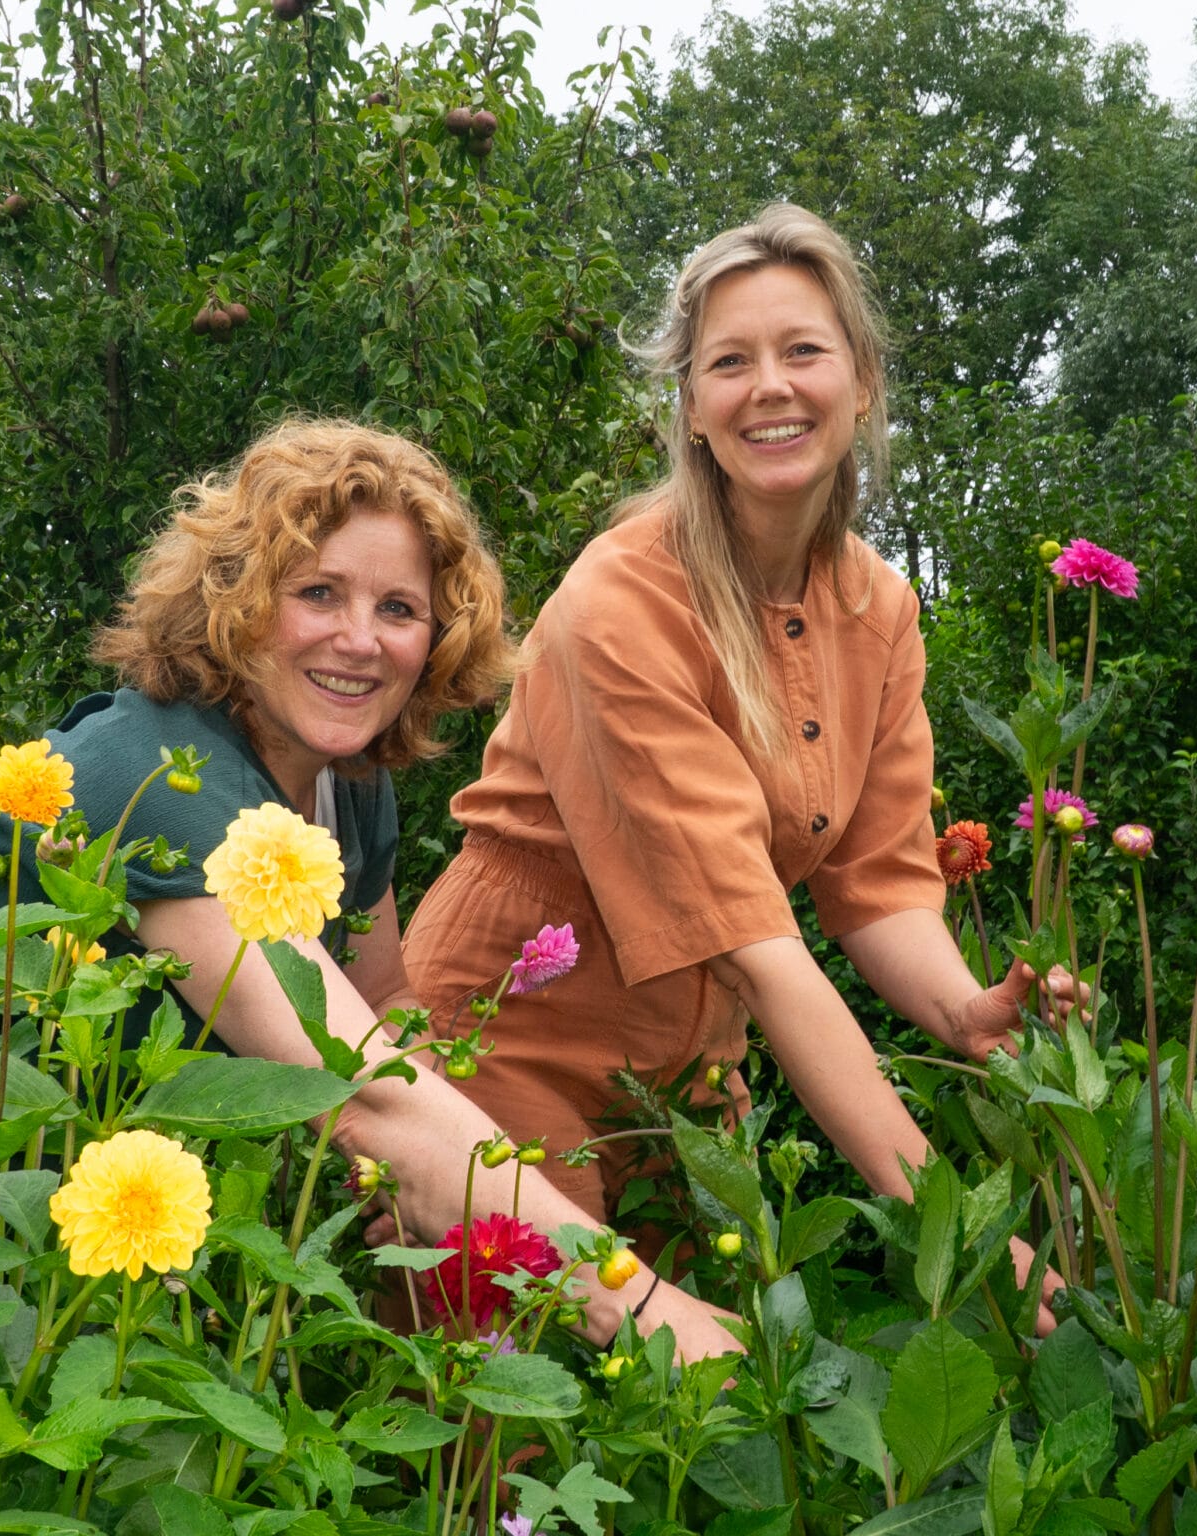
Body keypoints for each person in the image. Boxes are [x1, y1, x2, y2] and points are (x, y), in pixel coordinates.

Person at [403, 207, 1073, 1332]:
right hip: (509, 1035)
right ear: (692, 409)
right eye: (730, 362)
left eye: (803, 351)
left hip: (688, 1070)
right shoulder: (624, 603)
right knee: (519, 1419)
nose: (770, 386)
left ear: (860, 382)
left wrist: (963, 1007)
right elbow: (765, 955)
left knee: (697, 1438)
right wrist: (950, 1233)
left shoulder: (882, 605)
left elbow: (878, 880)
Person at [0, 419, 739, 1360]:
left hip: (112, 1230)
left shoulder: (350, 789)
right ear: (235, 599)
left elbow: (382, 1005)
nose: (359, 640)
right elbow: (363, 1094)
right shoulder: (156, 774)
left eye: (400, 609)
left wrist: (413, 1177)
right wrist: (635, 1303)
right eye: (318, 593)